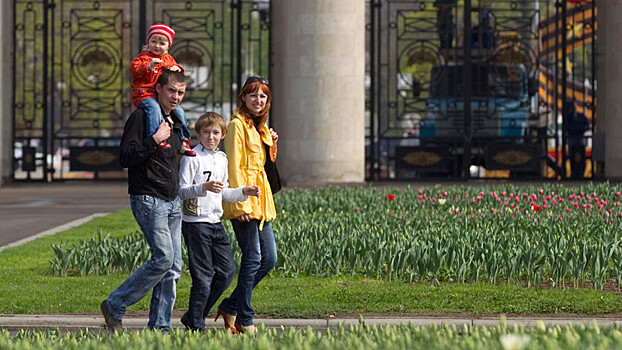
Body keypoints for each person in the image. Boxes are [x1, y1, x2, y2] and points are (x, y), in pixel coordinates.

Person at [100, 70, 188, 334]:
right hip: (149, 199)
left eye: (181, 92)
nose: (176, 97)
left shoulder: (174, 120)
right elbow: (126, 156)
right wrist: (154, 140)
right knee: (163, 258)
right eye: (171, 90)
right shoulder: (141, 116)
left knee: (173, 267)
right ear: (158, 88)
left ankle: (160, 328)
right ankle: (115, 304)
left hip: (172, 201)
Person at [178, 112, 261, 332]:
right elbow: (181, 191)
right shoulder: (191, 157)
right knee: (203, 277)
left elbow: (223, 192)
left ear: (223, 135)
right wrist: (202, 188)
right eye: (206, 132)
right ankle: (196, 325)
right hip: (195, 224)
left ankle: (194, 315)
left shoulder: (221, 158)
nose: (211, 137)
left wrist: (244, 191)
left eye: (215, 133)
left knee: (226, 272)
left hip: (215, 223)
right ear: (198, 134)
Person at [216, 76, 279, 334]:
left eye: (263, 96)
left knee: (269, 259)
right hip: (244, 198)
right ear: (243, 97)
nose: (258, 100)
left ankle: (230, 306)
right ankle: (245, 317)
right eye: (253, 95)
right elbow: (234, 165)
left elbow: (265, 165)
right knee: (252, 258)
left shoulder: (260, 127)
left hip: (261, 198)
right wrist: (241, 203)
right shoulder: (236, 125)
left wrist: (273, 144)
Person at [131, 23, 196, 156]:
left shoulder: (168, 59)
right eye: (153, 41)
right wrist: (148, 65)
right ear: (148, 42)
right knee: (154, 109)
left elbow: (177, 69)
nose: (157, 46)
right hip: (144, 94)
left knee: (179, 111)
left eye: (161, 43)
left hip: (159, 95)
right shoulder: (143, 58)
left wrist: (177, 69)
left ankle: (184, 140)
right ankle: (157, 138)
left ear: (168, 46)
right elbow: (134, 69)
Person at [564, 100, 590, 178]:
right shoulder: (568, 117)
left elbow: (587, 126)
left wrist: (581, 129)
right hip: (572, 137)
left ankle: (581, 172)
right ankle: (574, 172)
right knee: (572, 155)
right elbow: (566, 127)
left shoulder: (581, 116)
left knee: (581, 155)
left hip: (580, 137)